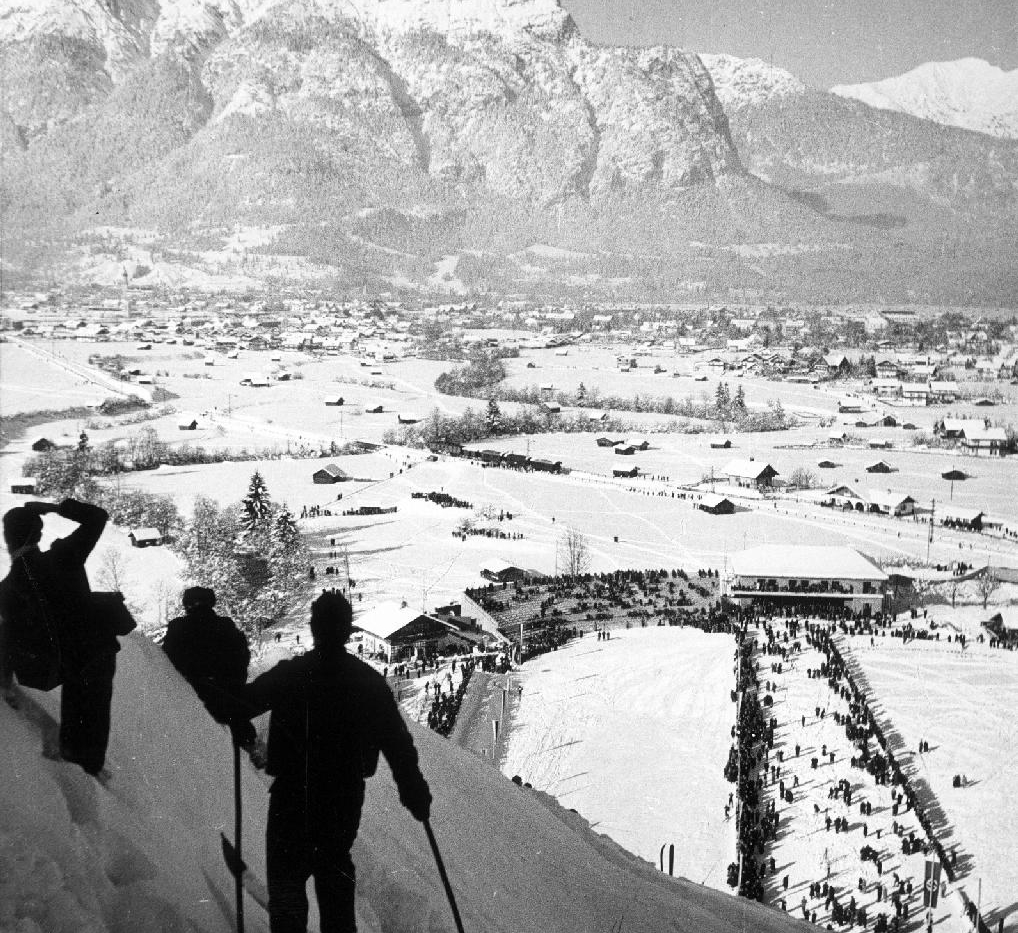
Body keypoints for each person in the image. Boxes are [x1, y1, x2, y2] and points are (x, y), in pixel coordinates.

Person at [236, 592, 431, 933]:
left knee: (287, 880)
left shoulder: (292, 674)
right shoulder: (368, 681)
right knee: (334, 873)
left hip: (292, 795)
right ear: (347, 630)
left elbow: (238, 704)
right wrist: (414, 793)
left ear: (314, 628)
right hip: (343, 798)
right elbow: (397, 743)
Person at [0, 498, 118, 777]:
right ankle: (90, 775)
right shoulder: (64, 556)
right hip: (95, 652)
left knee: (75, 718)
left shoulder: (7, 588)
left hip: (62, 663)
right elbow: (97, 517)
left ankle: (80, 770)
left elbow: (5, 636)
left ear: (7, 539)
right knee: (94, 720)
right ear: (39, 534)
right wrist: (54, 508)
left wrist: (5, 681)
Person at [162, 586, 255, 748]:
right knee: (242, 735)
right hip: (228, 695)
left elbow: (165, 661)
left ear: (187, 605)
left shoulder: (178, 627)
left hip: (193, 697)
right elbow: (242, 659)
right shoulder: (226, 626)